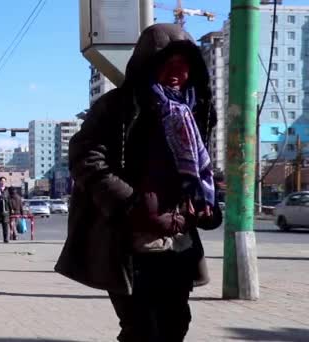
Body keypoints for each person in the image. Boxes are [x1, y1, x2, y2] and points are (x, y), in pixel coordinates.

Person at [55, 24, 222, 342]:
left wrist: (205, 202)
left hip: (179, 238)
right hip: (130, 239)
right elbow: (86, 159)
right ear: (148, 63)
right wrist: (132, 204)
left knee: (176, 324)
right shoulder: (117, 106)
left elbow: (199, 170)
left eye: (184, 64)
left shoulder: (195, 110)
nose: (176, 72)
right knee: (141, 328)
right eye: (167, 63)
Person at [0, 177, 11, 243]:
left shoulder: (7, 190)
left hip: (5, 210)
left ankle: (5, 239)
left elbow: (9, 200)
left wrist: (10, 209)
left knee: (5, 225)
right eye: (1, 181)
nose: (3, 182)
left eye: (4, 181)